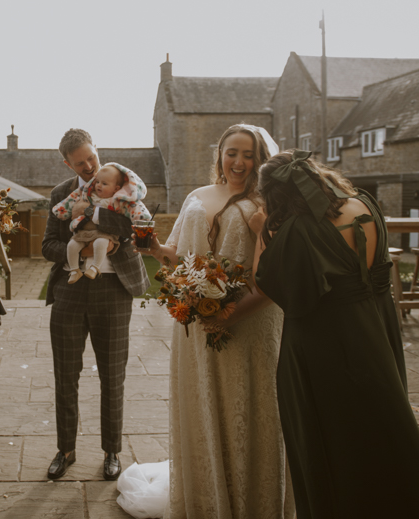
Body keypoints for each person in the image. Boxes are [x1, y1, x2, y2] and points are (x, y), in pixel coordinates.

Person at [255, 150, 419, 518]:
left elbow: (276, 287)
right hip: (377, 327)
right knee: (384, 426)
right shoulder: (365, 204)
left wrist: (260, 233)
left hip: (327, 343)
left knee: (335, 441)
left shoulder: (300, 230)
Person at [137, 124, 295, 518]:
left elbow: (276, 271)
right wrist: (155, 248)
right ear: (219, 155)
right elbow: (178, 255)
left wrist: (229, 313)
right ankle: (208, 500)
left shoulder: (268, 202)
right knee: (203, 404)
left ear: (261, 159)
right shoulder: (196, 195)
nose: (239, 162)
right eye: (231, 153)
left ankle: (255, 503)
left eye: (248, 155)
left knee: (252, 406)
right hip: (197, 321)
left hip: (251, 321)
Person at [42, 129, 150, 481]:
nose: (89, 166)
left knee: (112, 376)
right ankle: (65, 450)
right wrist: (84, 250)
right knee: (65, 375)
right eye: (80, 163)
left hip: (114, 291)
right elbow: (47, 246)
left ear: (96, 151)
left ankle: (112, 451)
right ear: (67, 164)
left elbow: (134, 230)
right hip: (70, 291)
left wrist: (97, 220)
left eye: (92, 158)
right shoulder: (61, 194)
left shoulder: (124, 186)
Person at [52, 162, 151, 283]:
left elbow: (135, 212)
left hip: (105, 235)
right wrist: (60, 210)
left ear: (116, 188)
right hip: (83, 233)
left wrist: (143, 219)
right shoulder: (87, 193)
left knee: (100, 243)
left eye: (104, 184)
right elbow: (70, 200)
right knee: (71, 245)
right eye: (97, 182)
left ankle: (94, 267)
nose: (98, 185)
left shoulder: (119, 201)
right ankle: (74, 270)